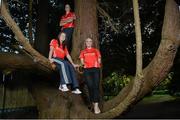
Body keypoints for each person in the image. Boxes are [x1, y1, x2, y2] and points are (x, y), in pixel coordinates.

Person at [79, 38, 101, 114]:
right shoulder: (83, 51)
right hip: (87, 70)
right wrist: (83, 64)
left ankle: (96, 105)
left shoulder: (95, 50)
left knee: (96, 86)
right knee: (90, 86)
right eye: (87, 41)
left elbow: (99, 58)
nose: (88, 42)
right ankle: (93, 102)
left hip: (95, 69)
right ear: (85, 43)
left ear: (92, 43)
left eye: (90, 41)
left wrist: (98, 63)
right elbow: (81, 60)